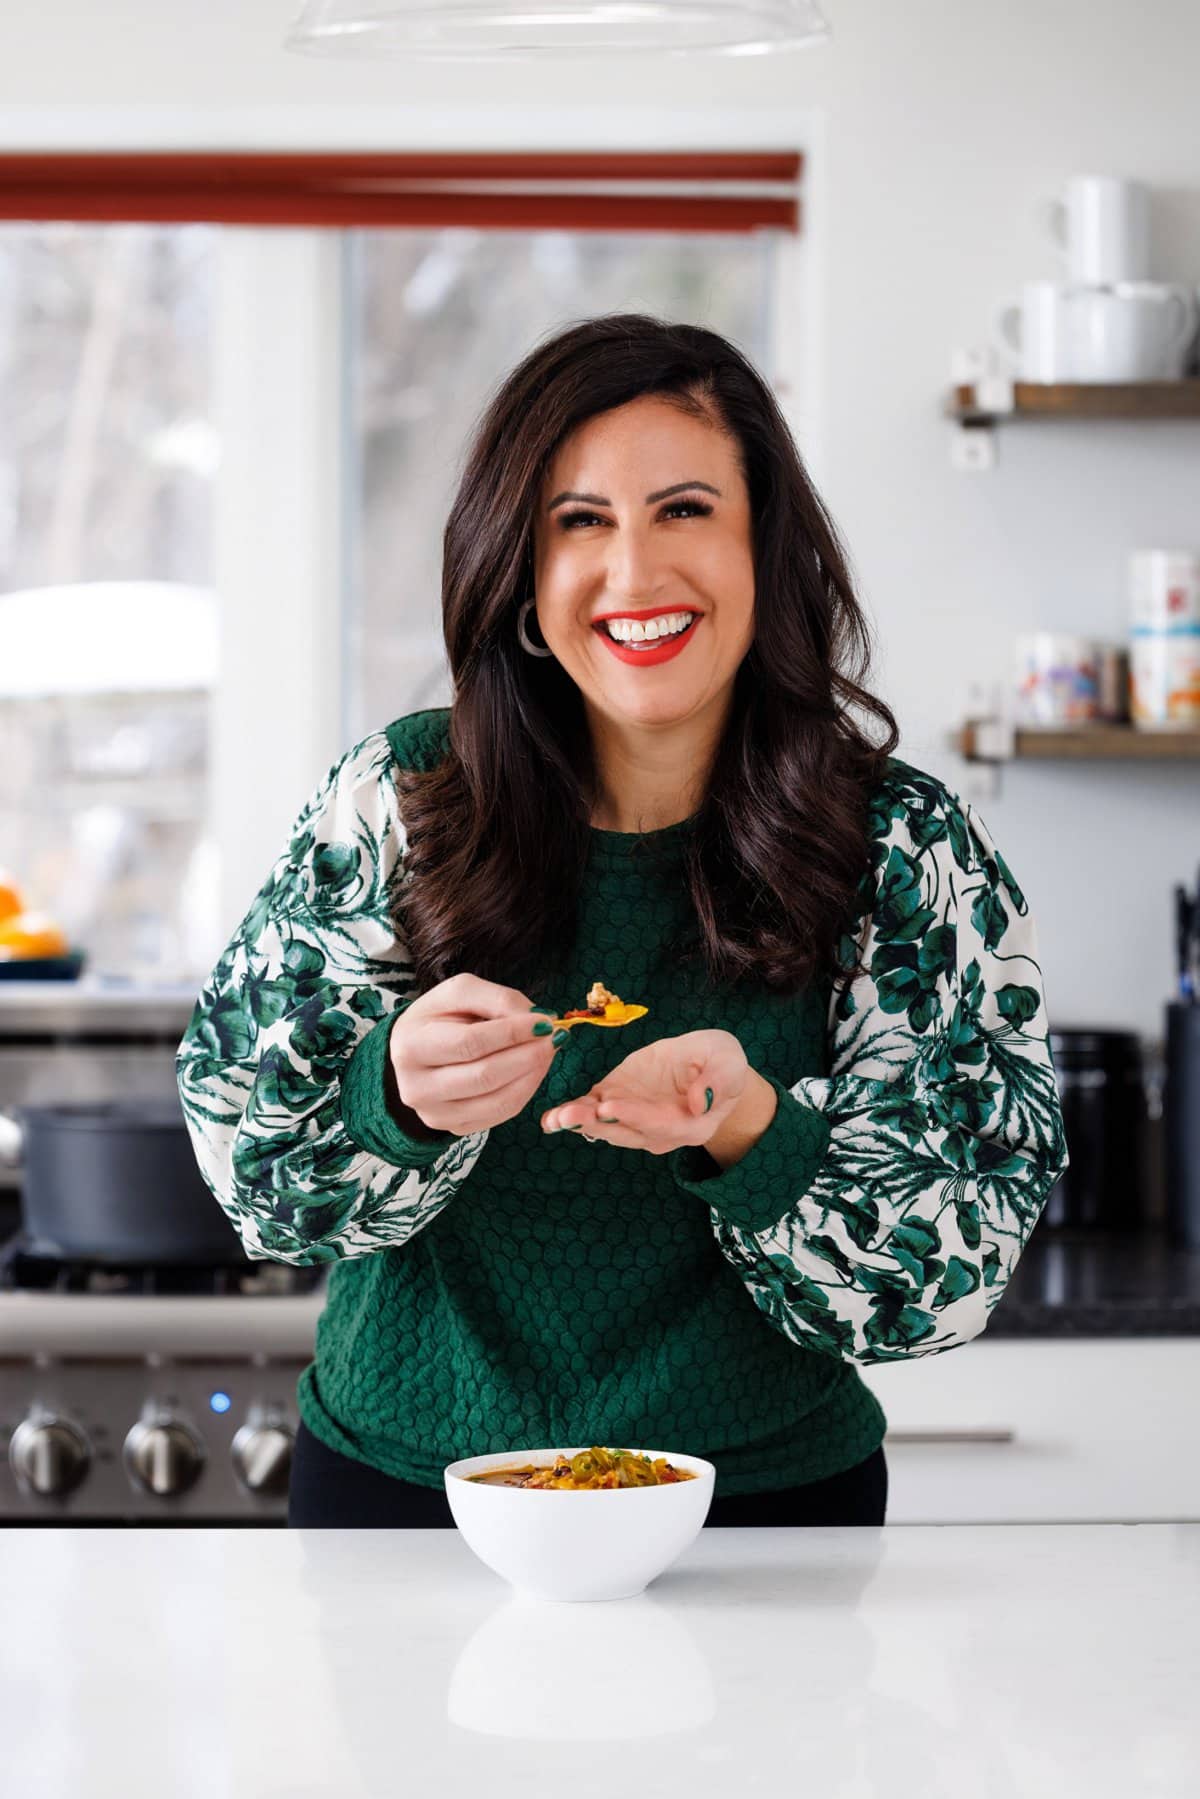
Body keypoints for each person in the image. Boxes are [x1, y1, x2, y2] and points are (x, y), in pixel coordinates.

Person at [176, 314, 1069, 1529]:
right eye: (580, 522)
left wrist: (753, 1131)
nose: (636, 573)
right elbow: (254, 1177)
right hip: (403, 1497)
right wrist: (397, 1093)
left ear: (769, 550)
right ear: (525, 582)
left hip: (765, 1512)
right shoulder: (398, 799)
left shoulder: (903, 847)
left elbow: (947, 1275)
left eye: (686, 509)